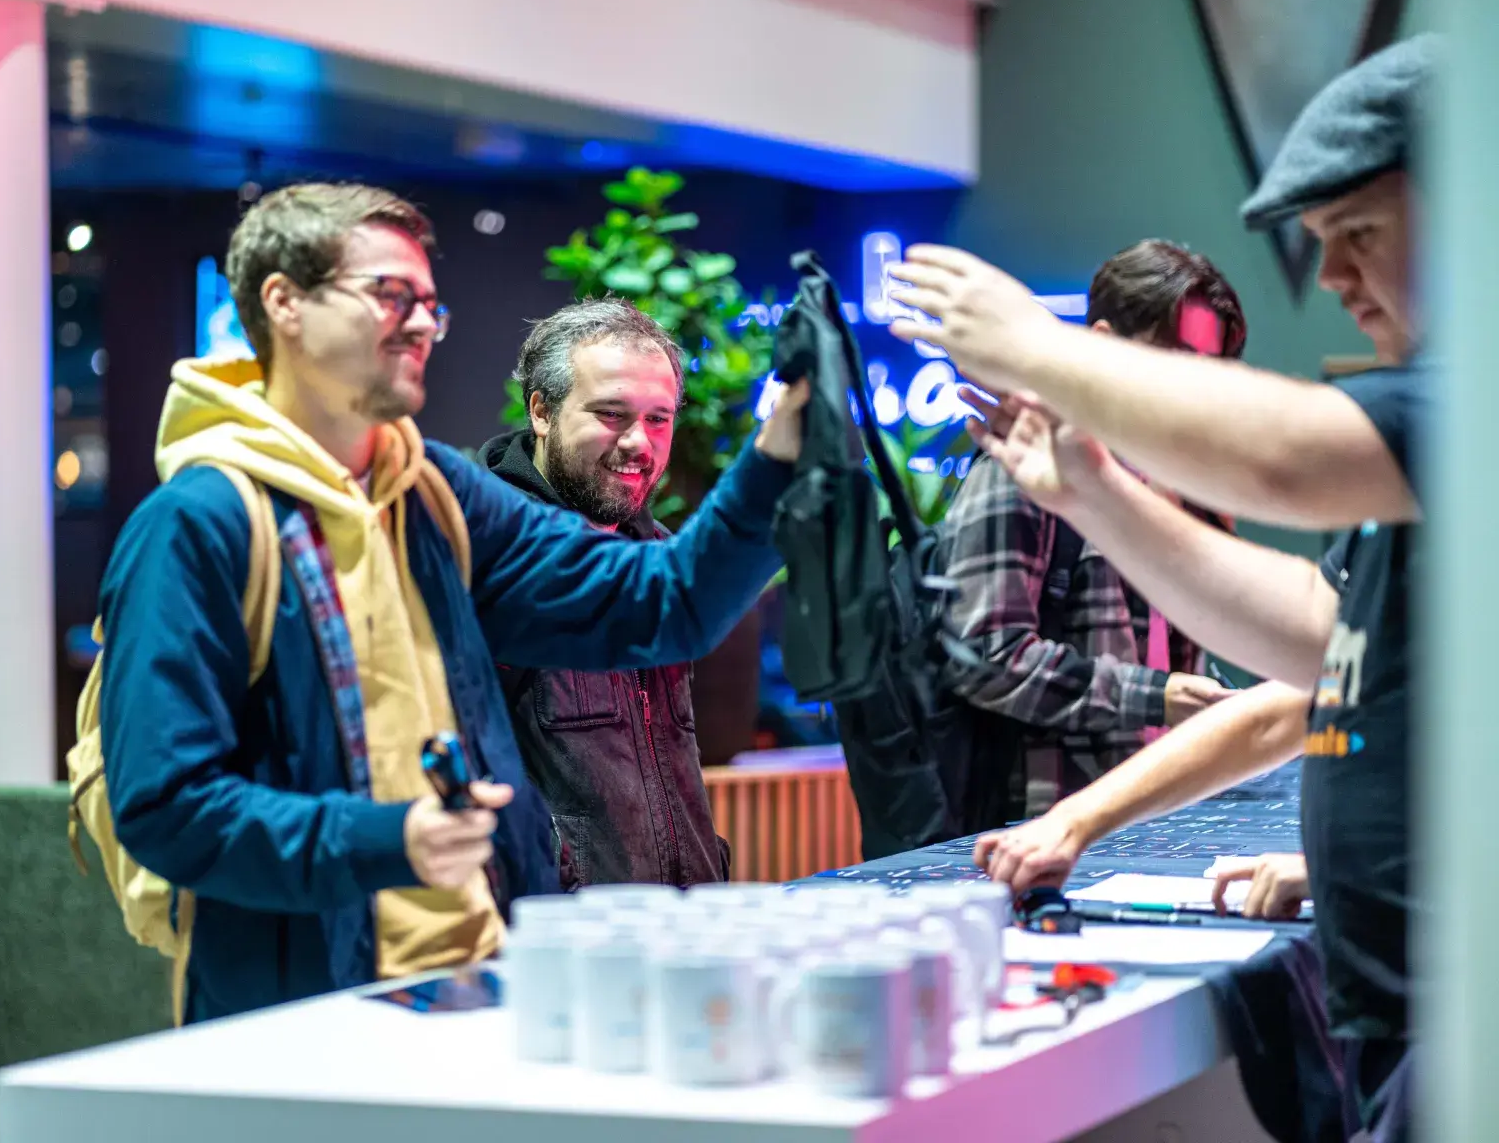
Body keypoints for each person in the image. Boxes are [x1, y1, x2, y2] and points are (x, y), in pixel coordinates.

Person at [96, 183, 807, 1023]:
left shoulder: (433, 495)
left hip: (480, 981)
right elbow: (165, 806)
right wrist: (385, 839)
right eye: (390, 294)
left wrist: (782, 448)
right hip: (306, 1010)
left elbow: (660, 605)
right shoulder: (200, 521)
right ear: (283, 303)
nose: (421, 323)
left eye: (431, 303)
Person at [895, 35, 1434, 1134]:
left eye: (1358, 235)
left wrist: (1034, 349)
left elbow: (1284, 461)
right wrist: (1093, 489)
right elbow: (1320, 654)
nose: (1330, 279)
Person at [940, 240, 1244, 821]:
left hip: (1153, 820)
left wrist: (1214, 700)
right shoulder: (1025, 468)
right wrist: (1158, 696)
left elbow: (1166, 656)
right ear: (1102, 345)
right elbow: (982, 657)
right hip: (1044, 830)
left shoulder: (1169, 480)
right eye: (1176, 361)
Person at [480, 299, 730, 889]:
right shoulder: (485, 552)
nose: (640, 443)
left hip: (681, 925)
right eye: (613, 414)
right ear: (541, 411)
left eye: (660, 418)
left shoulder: (664, 557)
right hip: (557, 944)